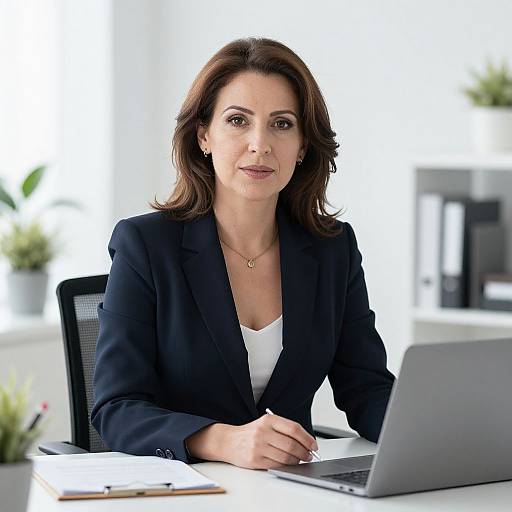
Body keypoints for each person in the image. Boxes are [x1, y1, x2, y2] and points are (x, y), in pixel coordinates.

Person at [91, 37, 395, 470]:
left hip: (290, 491)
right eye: (238, 120)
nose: (260, 144)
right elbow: (116, 408)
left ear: (304, 145)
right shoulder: (145, 246)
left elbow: (366, 387)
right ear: (203, 136)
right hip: (184, 492)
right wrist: (220, 441)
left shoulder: (332, 249)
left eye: (282, 124)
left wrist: (435, 436)